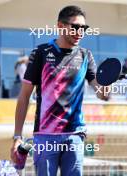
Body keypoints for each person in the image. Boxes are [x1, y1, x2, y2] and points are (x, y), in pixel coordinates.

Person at [10, 6, 108, 176]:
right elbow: (25, 96)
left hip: (75, 134)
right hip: (45, 135)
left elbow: (102, 94)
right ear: (61, 26)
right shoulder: (40, 53)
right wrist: (17, 136)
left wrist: (108, 82)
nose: (81, 32)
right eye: (76, 27)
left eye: (84, 28)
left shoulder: (86, 55)